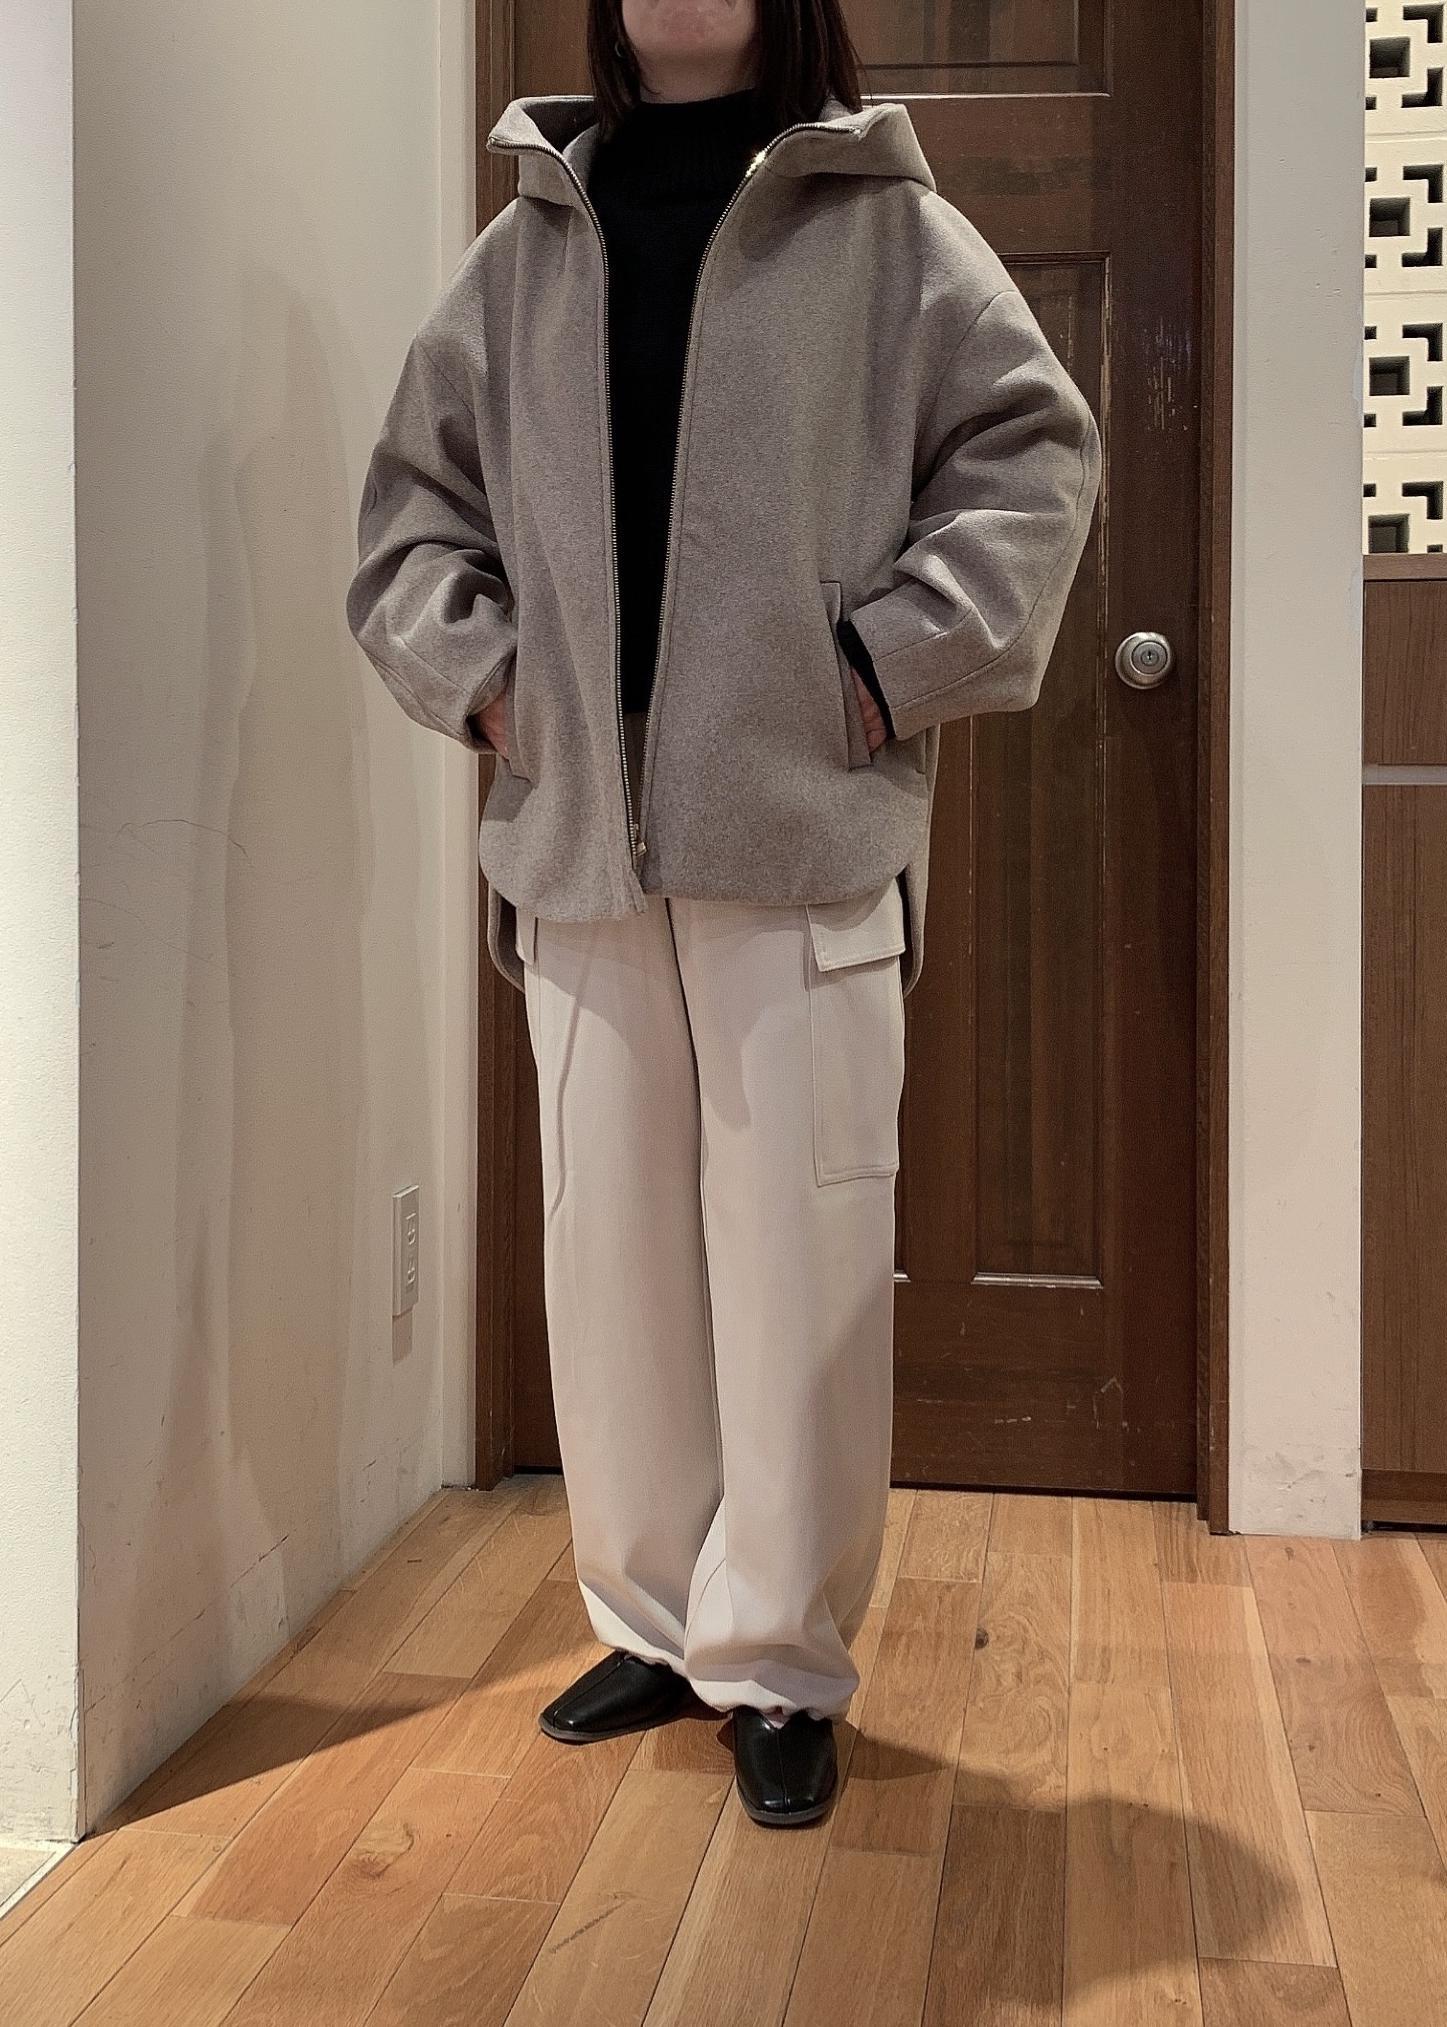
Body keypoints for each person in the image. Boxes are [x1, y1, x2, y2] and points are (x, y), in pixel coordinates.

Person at [346, 0, 1101, 1827]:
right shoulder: (526, 248)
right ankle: (658, 1620)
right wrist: (496, 691)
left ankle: (778, 1659)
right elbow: (410, 528)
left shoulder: (890, 231)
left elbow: (1033, 463)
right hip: (580, 851)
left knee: (796, 1261)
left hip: (802, 839)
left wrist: (879, 668)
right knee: (610, 1261)